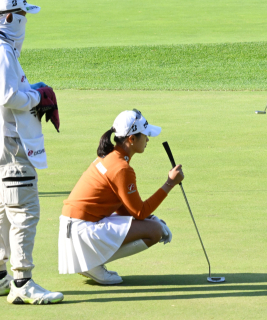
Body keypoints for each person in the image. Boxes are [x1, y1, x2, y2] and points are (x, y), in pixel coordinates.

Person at [0, 0, 63, 305]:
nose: (25, 22)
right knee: (24, 211)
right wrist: (39, 97)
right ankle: (22, 282)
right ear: (10, 16)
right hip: (11, 144)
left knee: (2, 207)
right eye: (23, 16)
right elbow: (9, 96)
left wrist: (31, 90)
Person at [58, 109, 184, 284]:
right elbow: (139, 212)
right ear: (131, 139)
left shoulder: (110, 157)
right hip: (82, 231)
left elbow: (124, 208)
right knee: (154, 231)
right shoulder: (122, 168)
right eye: (145, 135)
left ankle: (91, 262)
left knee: (153, 224)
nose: (148, 139)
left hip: (76, 226)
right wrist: (169, 183)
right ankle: (92, 263)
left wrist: (152, 218)